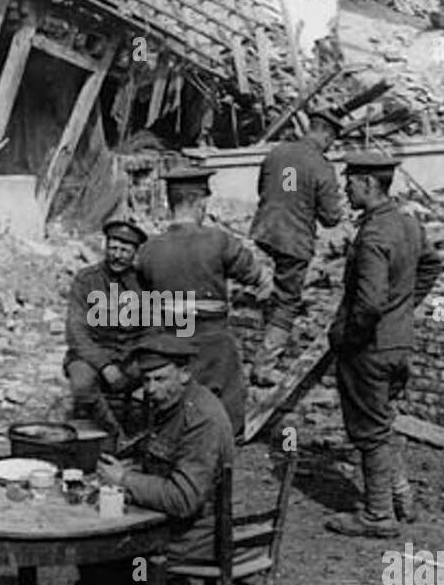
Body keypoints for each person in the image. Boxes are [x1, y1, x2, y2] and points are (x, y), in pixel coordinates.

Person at [65, 333, 236, 585]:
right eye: (147, 380)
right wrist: (130, 466)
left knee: (90, 544)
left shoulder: (201, 420)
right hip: (177, 526)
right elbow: (164, 462)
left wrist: (126, 479)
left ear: (185, 373)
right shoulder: (178, 404)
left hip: (189, 538)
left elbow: (184, 499)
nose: (151, 389)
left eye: (160, 378)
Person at [325, 150, 443, 538]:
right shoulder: (408, 223)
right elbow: (431, 264)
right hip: (398, 345)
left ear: (368, 184)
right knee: (382, 421)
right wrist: (404, 307)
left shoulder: (374, 233)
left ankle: (378, 516)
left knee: (369, 431)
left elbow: (370, 301)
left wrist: (349, 338)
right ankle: (400, 498)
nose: (345, 188)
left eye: (351, 181)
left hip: (369, 349)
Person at [134, 167, 269, 438]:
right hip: (213, 341)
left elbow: (142, 297)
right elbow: (259, 279)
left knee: (170, 405)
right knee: (228, 408)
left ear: (169, 203)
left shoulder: (149, 249)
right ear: (200, 202)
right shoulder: (219, 241)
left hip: (170, 340)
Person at [249, 110, 346, 384]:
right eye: (332, 140)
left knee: (274, 285)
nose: (331, 145)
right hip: (293, 241)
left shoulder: (277, 152)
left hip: (264, 230)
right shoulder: (321, 166)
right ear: (326, 134)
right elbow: (330, 218)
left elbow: (265, 189)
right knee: (288, 301)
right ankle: (264, 366)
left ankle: (267, 304)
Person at [63, 218, 149, 437]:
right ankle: (114, 434)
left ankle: (148, 433)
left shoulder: (146, 281)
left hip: (132, 354)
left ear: (135, 252)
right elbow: (76, 332)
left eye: (124, 250)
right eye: (112, 248)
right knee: (82, 385)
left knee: (163, 376)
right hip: (92, 354)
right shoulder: (86, 280)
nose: (117, 255)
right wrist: (104, 365)